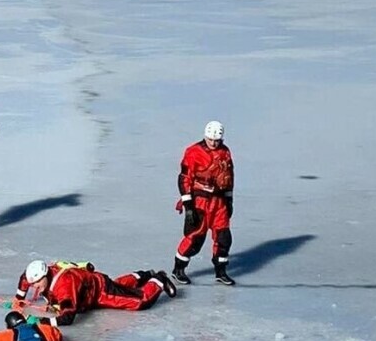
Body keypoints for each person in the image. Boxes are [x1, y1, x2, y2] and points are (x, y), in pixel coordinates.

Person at [14, 259, 176, 326]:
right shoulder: (43, 275)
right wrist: (18, 298)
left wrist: (41, 322)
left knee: (139, 301)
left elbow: (68, 316)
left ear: (45, 276)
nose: (34, 287)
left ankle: (158, 280)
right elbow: (24, 278)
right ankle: (142, 275)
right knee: (119, 286)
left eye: (36, 283)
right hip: (90, 285)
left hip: (100, 292)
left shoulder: (64, 285)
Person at [171, 120, 235, 286]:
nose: (214, 143)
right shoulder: (193, 152)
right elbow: (184, 178)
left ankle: (221, 271)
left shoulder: (225, 152)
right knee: (195, 238)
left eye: (217, 140)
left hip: (219, 201)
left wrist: (229, 200)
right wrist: (188, 206)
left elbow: (229, 177)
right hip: (200, 201)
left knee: (224, 237)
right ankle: (178, 269)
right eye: (211, 140)